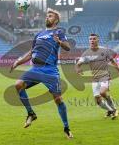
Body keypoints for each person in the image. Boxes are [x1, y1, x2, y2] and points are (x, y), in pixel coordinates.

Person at [10, 8, 73, 139]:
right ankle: (31, 114)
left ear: (56, 20)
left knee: (58, 99)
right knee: (18, 85)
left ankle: (66, 128)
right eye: (47, 16)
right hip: (35, 69)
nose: (47, 18)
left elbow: (67, 47)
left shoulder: (59, 32)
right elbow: (31, 53)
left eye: (50, 16)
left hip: (50, 70)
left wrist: (60, 42)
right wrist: (18, 62)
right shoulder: (39, 34)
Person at [75, 33, 119, 119]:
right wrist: (78, 69)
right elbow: (78, 63)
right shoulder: (86, 53)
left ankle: (114, 109)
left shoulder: (104, 51)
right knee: (98, 100)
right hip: (95, 78)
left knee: (102, 92)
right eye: (90, 39)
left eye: (94, 39)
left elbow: (114, 63)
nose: (92, 41)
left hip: (105, 76)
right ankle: (110, 110)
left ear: (98, 40)